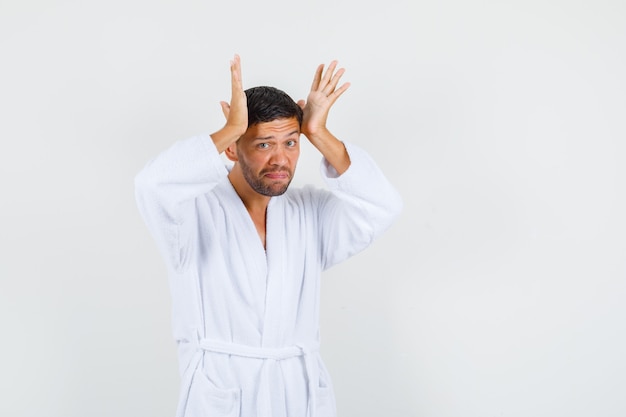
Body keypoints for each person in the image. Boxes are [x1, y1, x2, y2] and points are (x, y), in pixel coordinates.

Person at [135, 54, 402, 417]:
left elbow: (382, 205)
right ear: (232, 148)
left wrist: (318, 133)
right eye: (263, 144)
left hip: (300, 392)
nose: (281, 159)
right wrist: (229, 128)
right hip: (223, 392)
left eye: (291, 143)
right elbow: (152, 185)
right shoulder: (192, 214)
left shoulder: (308, 213)